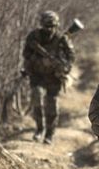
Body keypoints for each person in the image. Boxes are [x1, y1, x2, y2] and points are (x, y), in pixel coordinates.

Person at [22, 10, 75, 144]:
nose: (49, 30)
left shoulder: (61, 39)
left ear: (56, 26)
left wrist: (64, 68)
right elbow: (26, 54)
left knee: (52, 104)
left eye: (52, 27)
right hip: (37, 74)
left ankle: (49, 134)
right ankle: (39, 129)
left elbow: (71, 56)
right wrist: (36, 58)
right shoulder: (34, 37)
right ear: (41, 25)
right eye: (46, 26)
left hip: (53, 76)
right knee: (36, 97)